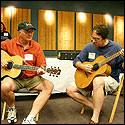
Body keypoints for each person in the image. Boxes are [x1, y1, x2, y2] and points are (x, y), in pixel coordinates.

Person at [66, 24, 124, 124]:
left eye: (97, 39)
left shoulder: (116, 48)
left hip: (110, 78)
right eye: (92, 37)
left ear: (104, 39)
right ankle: (95, 107)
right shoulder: (89, 46)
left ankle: (95, 117)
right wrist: (82, 66)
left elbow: (122, 68)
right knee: (69, 90)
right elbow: (76, 61)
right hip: (90, 78)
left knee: (97, 81)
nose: (93, 41)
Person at [1, 21, 54, 124]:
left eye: (31, 32)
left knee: (49, 86)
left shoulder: (37, 46)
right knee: (4, 86)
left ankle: (31, 117)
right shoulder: (9, 43)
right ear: (20, 32)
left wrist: (41, 70)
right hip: (14, 78)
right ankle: (11, 108)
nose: (30, 34)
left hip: (32, 78)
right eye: (27, 32)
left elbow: (42, 65)